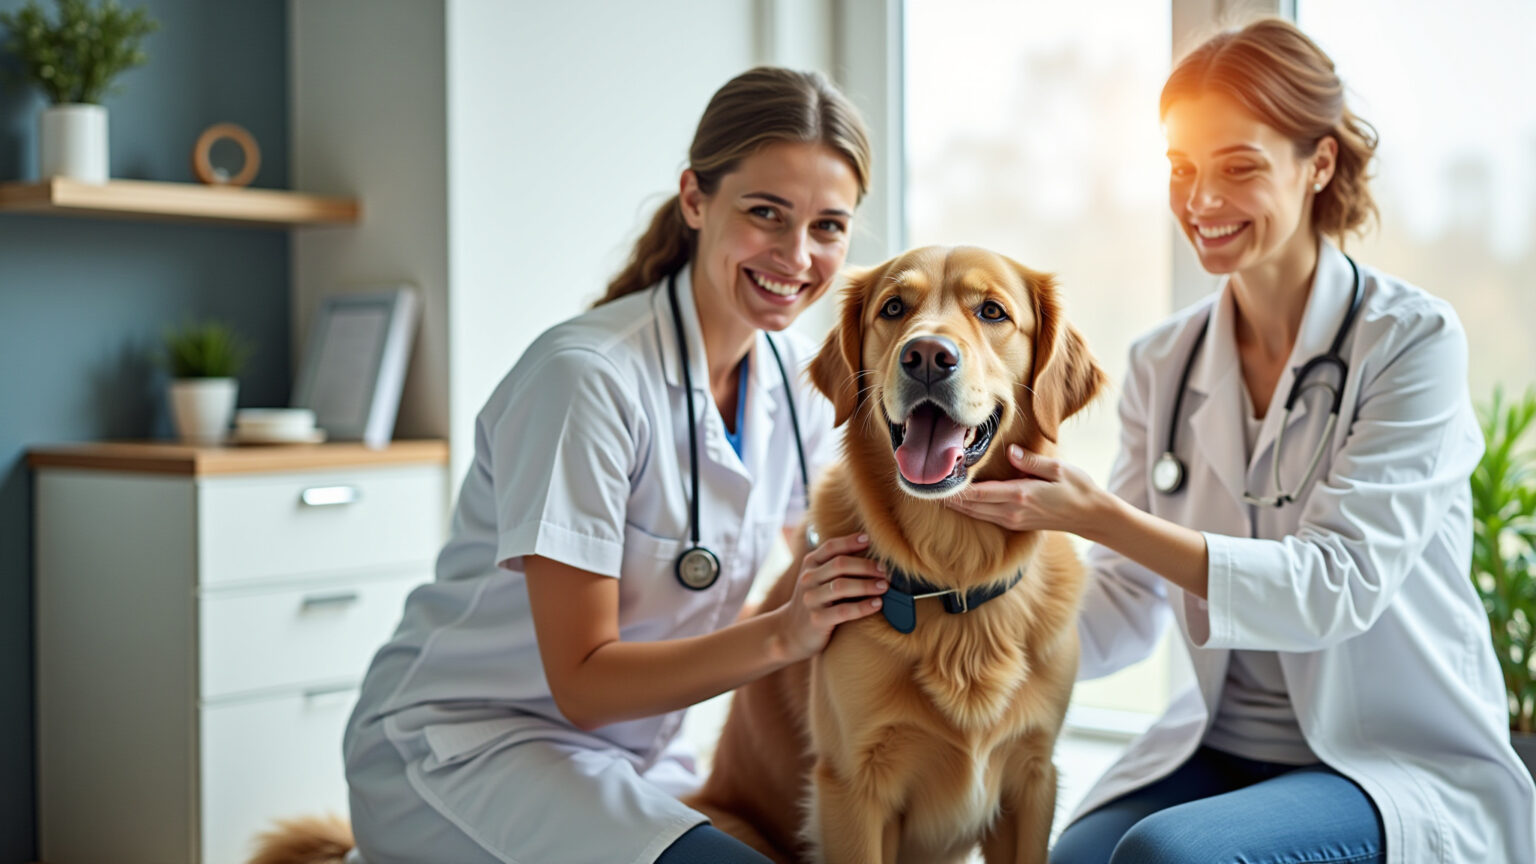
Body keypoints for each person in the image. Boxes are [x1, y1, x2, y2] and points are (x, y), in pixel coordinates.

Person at [947, 18, 1536, 864]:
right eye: (1181, 169)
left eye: (1239, 167)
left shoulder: (1412, 342)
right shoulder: (1164, 361)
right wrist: (952, 600)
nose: (1200, 202)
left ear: (1319, 164)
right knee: (1074, 858)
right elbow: (1123, 606)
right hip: (1218, 745)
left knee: (1168, 856)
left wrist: (1098, 516)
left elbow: (1335, 585)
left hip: (1383, 762)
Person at [341, 67, 888, 864]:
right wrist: (783, 634)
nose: (797, 255)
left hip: (637, 758)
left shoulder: (799, 381)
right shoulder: (585, 379)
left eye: (828, 226)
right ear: (695, 199)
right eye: (765, 212)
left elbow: (840, 565)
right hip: (469, 748)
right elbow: (584, 684)